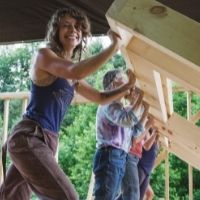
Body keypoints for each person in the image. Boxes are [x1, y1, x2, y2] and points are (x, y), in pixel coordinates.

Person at [0, 6, 136, 200]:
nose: (74, 30)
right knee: (68, 196)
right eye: (67, 26)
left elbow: (100, 97)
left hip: (44, 143)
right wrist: (114, 47)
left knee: (10, 196)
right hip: (30, 137)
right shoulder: (44, 56)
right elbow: (76, 70)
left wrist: (126, 88)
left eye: (78, 27)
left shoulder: (72, 76)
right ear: (56, 31)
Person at [93, 70, 149, 200]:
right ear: (114, 84)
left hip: (118, 156)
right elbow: (127, 120)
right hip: (109, 156)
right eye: (125, 81)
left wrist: (141, 105)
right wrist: (140, 98)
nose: (130, 85)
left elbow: (135, 133)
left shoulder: (120, 109)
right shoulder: (107, 104)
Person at [116, 116, 155, 200]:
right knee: (131, 193)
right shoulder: (139, 122)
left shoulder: (146, 128)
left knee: (135, 195)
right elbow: (140, 142)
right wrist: (149, 125)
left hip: (139, 163)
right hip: (136, 161)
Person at [138, 127, 159, 200]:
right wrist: (154, 134)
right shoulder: (147, 130)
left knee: (140, 197)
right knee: (130, 195)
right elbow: (146, 146)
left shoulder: (157, 139)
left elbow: (154, 155)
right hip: (141, 167)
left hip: (147, 172)